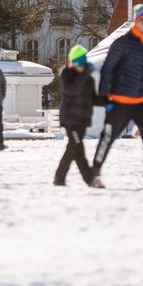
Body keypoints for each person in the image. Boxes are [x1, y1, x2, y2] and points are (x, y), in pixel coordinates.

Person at [91, 4, 143, 189]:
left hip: (142, 101)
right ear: (135, 21)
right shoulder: (122, 43)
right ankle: (94, 173)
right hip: (121, 102)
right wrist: (105, 97)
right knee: (107, 138)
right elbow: (107, 69)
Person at [55, 45, 106, 186]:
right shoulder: (67, 75)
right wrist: (84, 75)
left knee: (73, 150)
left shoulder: (87, 79)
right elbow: (73, 90)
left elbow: (93, 98)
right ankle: (89, 180)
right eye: (76, 64)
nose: (78, 67)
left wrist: (108, 101)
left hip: (82, 120)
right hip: (70, 120)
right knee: (77, 149)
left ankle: (59, 179)